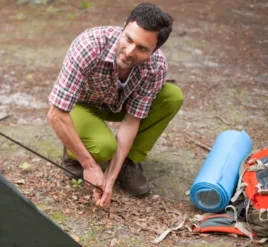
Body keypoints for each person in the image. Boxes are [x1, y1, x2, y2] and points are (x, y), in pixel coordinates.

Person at [48, 3, 183, 208]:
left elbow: (132, 120)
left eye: (142, 48)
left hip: (119, 106)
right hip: (83, 104)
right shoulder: (89, 45)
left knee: (171, 96)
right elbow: (56, 113)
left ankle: (128, 162)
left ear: (155, 50)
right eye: (128, 39)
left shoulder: (157, 65)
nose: (129, 51)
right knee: (103, 149)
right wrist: (90, 165)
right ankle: (75, 154)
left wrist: (110, 178)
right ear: (124, 26)